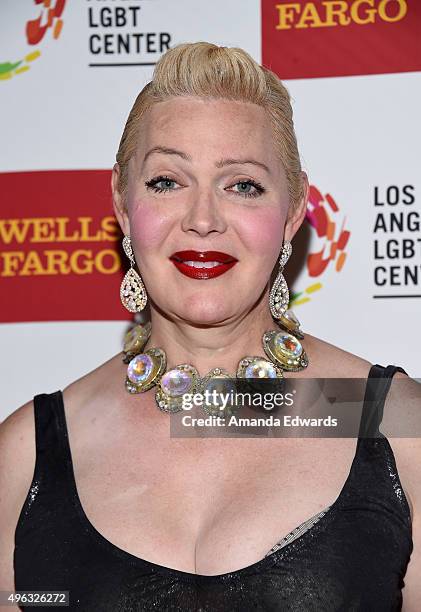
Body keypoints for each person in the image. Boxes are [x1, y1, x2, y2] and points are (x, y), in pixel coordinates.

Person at [0, 42, 420, 611]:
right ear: (123, 207)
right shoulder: (26, 455)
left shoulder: (394, 423)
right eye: (167, 182)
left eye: (242, 185)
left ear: (293, 210)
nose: (202, 220)